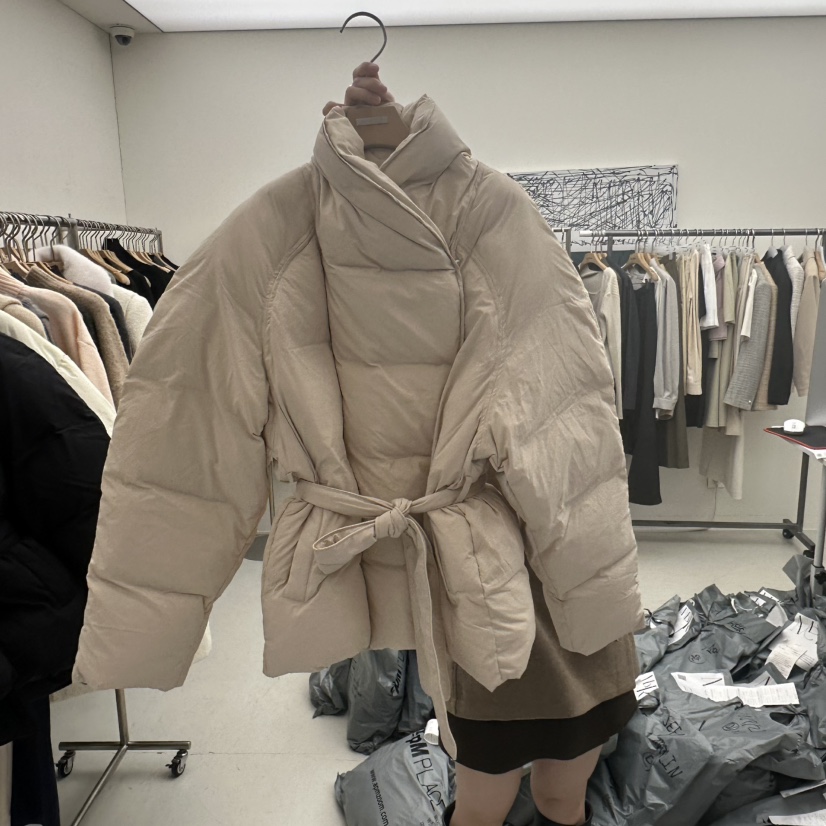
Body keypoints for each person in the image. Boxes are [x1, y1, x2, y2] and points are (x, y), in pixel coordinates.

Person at [322, 65, 640, 826]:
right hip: (489, 572)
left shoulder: (496, 216)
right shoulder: (316, 228)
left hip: (545, 559)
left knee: (535, 793)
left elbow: (566, 393)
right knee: (502, 795)